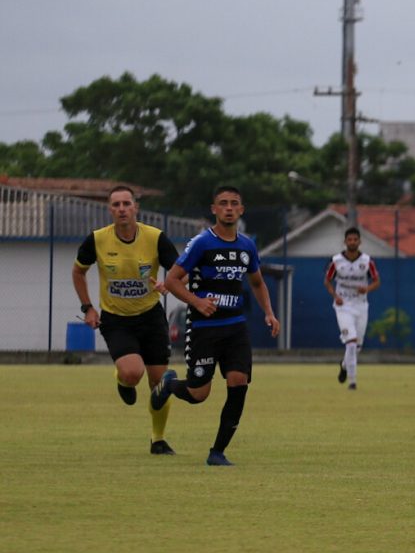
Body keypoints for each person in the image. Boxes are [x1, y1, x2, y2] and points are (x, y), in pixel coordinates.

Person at [150, 186, 280, 466]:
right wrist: (197, 302)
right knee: (199, 394)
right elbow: (173, 280)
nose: (229, 208)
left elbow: (257, 282)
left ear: (241, 210)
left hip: (236, 328)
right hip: (204, 330)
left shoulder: (247, 245)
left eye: (234, 203)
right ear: (214, 209)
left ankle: (217, 452)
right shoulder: (201, 243)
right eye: (223, 203)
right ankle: (169, 385)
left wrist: (269, 312)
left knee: (239, 382)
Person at [72, 185, 179, 455]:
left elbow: (181, 270)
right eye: (116, 205)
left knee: (159, 384)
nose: (121, 209)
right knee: (133, 373)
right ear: (109, 209)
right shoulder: (97, 239)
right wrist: (88, 308)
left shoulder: (155, 237)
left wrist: (168, 284)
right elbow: (78, 272)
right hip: (116, 319)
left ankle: (158, 439)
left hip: (151, 317)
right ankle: (123, 379)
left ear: (135, 208)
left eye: (126, 204)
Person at [323, 227, 381, 390]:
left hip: (361, 305)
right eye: (350, 239)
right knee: (351, 342)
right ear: (345, 241)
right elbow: (327, 281)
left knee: (358, 346)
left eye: (355, 239)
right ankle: (352, 382)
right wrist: (335, 296)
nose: (352, 242)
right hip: (343, 306)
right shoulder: (336, 261)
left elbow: (377, 281)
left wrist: (367, 289)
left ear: (360, 242)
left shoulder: (367, 261)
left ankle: (344, 364)